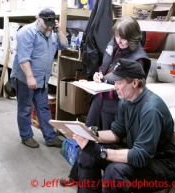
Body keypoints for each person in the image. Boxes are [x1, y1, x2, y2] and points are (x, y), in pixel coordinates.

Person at [61, 16, 151, 186]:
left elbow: (132, 89)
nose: (119, 41)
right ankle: (77, 176)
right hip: (99, 99)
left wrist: (109, 86)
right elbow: (106, 66)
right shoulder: (114, 45)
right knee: (86, 135)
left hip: (115, 105)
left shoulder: (139, 58)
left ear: (133, 37)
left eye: (124, 38)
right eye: (117, 36)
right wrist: (98, 74)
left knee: (103, 141)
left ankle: (104, 180)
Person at [71, 58, 175, 193]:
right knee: (88, 154)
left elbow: (141, 156)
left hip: (162, 164)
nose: (114, 87)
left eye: (118, 83)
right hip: (137, 152)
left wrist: (101, 153)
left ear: (135, 82)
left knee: (115, 171)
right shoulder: (126, 101)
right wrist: (90, 134)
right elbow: (116, 133)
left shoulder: (151, 109)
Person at [10, 8, 68, 148]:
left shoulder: (52, 32)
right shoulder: (26, 33)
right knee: (25, 109)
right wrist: (30, 77)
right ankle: (26, 136)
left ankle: (50, 137)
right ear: (38, 19)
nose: (49, 26)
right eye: (46, 23)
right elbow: (23, 59)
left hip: (42, 79)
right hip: (25, 78)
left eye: (51, 24)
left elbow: (64, 45)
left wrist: (59, 31)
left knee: (43, 108)